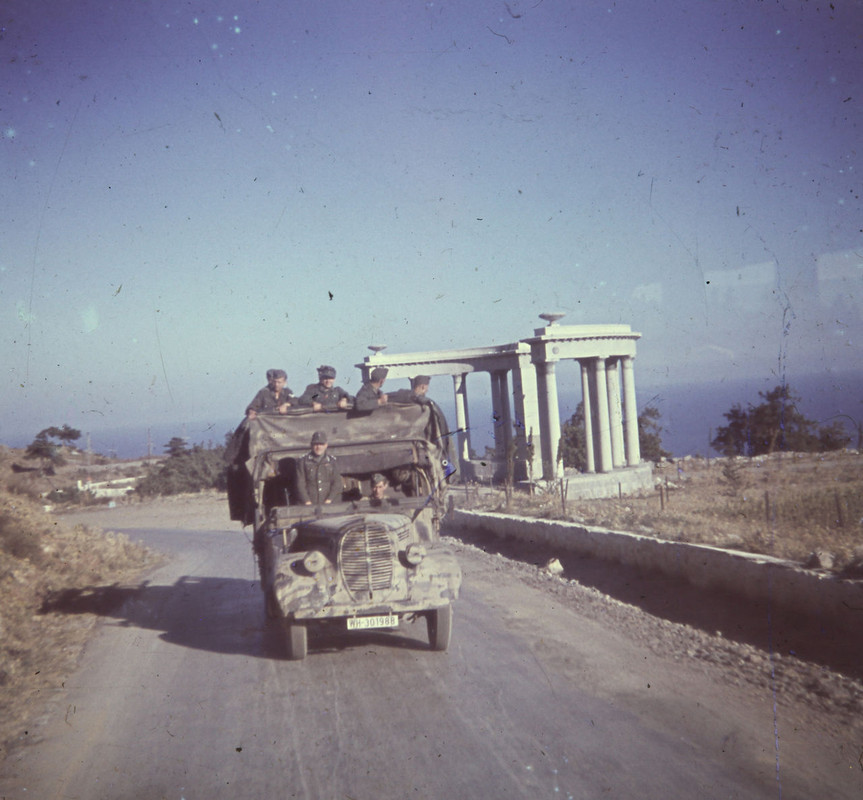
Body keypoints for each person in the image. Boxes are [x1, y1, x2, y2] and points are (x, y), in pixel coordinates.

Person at [296, 431, 342, 505]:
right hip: (310, 503)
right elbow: (300, 483)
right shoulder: (303, 462)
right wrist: (307, 501)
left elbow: (337, 483)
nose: (319, 447)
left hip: (330, 503)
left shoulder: (332, 461)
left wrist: (329, 500)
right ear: (311, 445)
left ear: (326, 445)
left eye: (321, 444)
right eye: (316, 444)